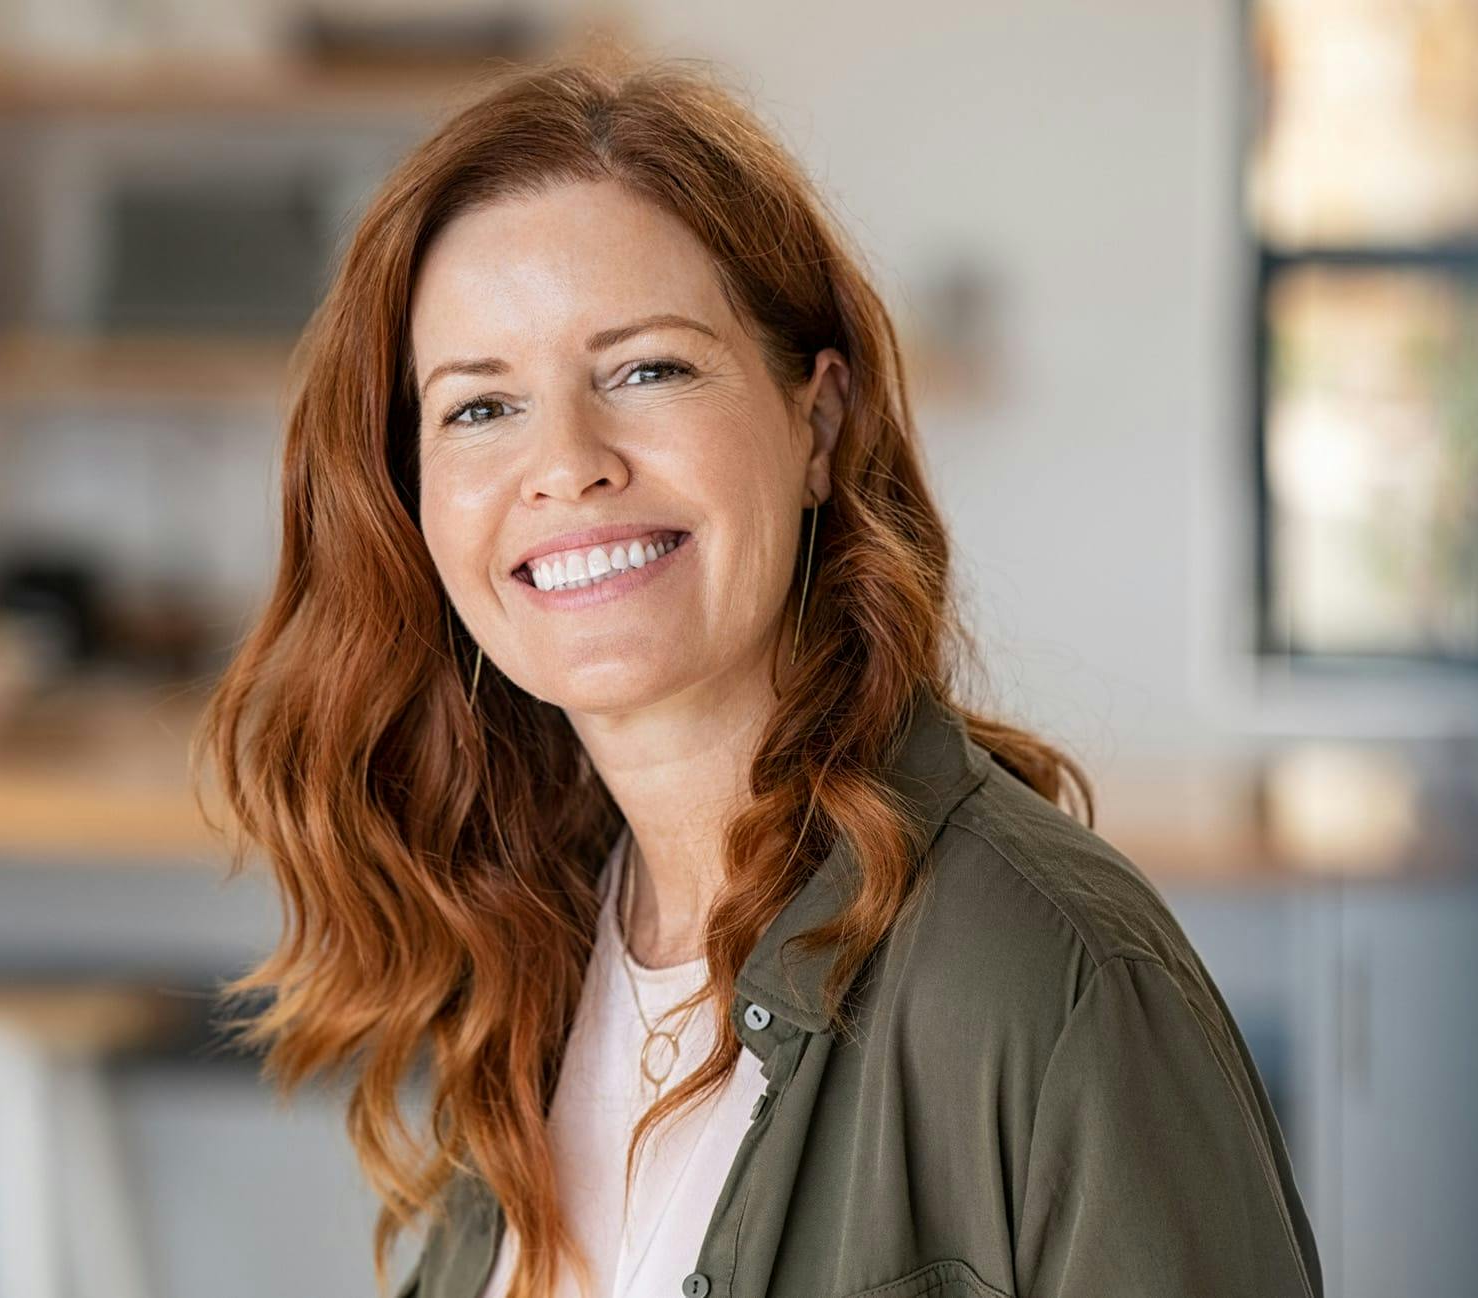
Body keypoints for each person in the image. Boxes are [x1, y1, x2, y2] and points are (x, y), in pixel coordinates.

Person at [195, 49, 1324, 1298]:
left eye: (647, 370)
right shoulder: (526, 948)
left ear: (817, 424)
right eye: (478, 406)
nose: (565, 463)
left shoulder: (1048, 982)